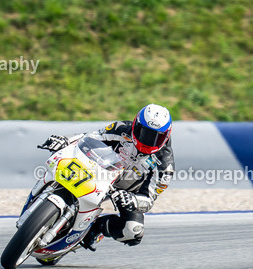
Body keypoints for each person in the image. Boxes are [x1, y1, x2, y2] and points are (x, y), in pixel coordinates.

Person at [37, 103, 175, 249]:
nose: (149, 140)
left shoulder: (165, 165)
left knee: (133, 231)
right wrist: (65, 140)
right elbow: (89, 137)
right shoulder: (121, 129)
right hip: (99, 169)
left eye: (156, 137)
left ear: (166, 136)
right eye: (144, 133)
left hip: (124, 192)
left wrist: (132, 200)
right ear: (136, 125)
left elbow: (148, 200)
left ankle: (95, 229)